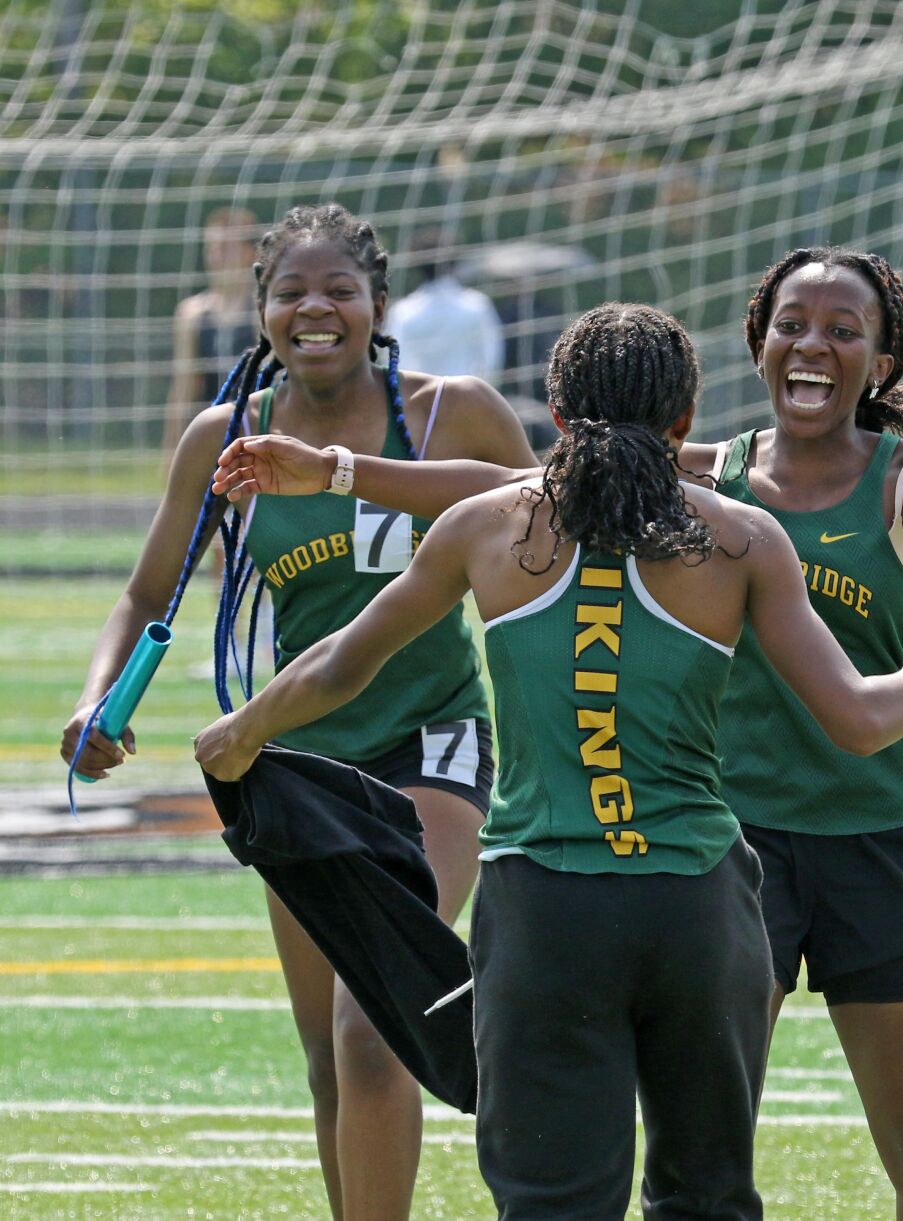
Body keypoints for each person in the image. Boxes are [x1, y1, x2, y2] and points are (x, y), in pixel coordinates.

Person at [211, 245, 903, 1220]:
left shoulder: (493, 528)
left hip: (549, 908)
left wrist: (241, 730)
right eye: (793, 324)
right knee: (704, 1198)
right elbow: (861, 718)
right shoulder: (742, 532)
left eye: (840, 330)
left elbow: (339, 661)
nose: (812, 346)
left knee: (557, 1200)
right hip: (702, 899)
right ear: (687, 419)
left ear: (559, 416)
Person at [61, 202, 537, 1221]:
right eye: (289, 291)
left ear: (377, 304)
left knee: (378, 1021)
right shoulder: (224, 435)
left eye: (338, 290)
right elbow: (149, 594)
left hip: (435, 741)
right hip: (295, 757)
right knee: (327, 1054)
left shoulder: (455, 413)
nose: (314, 309)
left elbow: (552, 522)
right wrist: (100, 695)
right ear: (259, 309)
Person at [165, 207, 260, 446]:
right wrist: (172, 449)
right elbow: (183, 390)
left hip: (256, 432)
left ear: (250, 252)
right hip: (207, 436)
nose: (216, 256)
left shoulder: (263, 310)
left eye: (226, 248)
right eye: (211, 248)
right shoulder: (192, 313)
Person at [386, 227, 505, 383]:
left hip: (421, 401)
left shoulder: (403, 313)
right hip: (468, 398)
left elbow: (398, 363)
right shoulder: (476, 305)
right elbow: (491, 360)